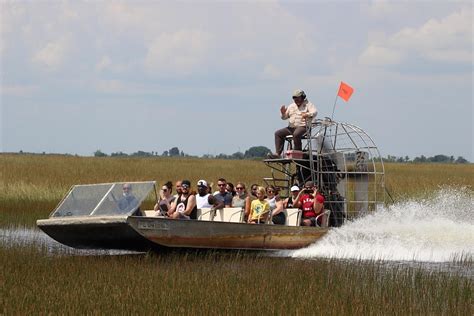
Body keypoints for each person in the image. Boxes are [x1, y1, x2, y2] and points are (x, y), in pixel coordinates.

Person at [269, 89, 318, 158]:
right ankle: (277, 153)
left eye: (298, 98)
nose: (296, 100)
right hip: (291, 128)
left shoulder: (308, 104)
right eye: (294, 98)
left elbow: (315, 112)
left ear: (302, 97)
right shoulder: (291, 106)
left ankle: (297, 152)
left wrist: (307, 114)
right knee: (278, 133)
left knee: (296, 134)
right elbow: (284, 117)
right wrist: (283, 113)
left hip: (304, 127)